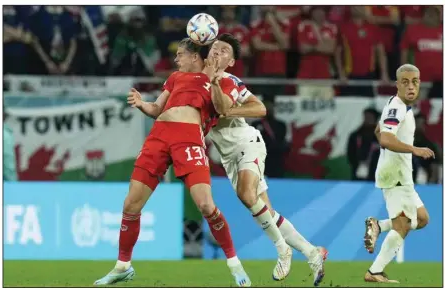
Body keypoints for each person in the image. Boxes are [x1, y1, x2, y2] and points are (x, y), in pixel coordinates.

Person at [94, 38, 251, 287]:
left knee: (206, 206)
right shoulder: (176, 77)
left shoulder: (227, 82)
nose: (176, 59)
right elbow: (158, 108)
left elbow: (223, 109)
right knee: (131, 204)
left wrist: (214, 81)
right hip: (158, 136)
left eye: (180, 55)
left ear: (194, 57)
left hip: (188, 139)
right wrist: (142, 104)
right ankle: (122, 266)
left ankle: (234, 263)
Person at [207, 33, 327, 286]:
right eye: (214, 48)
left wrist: (230, 109)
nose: (217, 52)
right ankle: (312, 252)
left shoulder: (229, 80)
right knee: (265, 211)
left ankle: (282, 250)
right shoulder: (197, 81)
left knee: (245, 194)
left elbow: (259, 108)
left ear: (230, 62)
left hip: (247, 143)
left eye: (224, 50)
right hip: (229, 156)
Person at [364, 64, 435, 283]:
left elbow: (379, 131)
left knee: (422, 219)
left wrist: (390, 155)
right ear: (397, 85)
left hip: (400, 174)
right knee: (403, 225)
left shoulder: (398, 106)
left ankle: (379, 226)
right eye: (405, 82)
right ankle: (374, 272)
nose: (411, 86)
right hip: (395, 175)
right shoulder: (397, 107)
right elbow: (385, 138)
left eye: (415, 81)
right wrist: (414, 149)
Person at [347, 108, 380, 181]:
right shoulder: (356, 135)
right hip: (358, 171)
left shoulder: (381, 136)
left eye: (370, 117)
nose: (367, 119)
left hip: (376, 173)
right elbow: (350, 153)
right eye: (365, 117)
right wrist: (357, 164)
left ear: (375, 119)